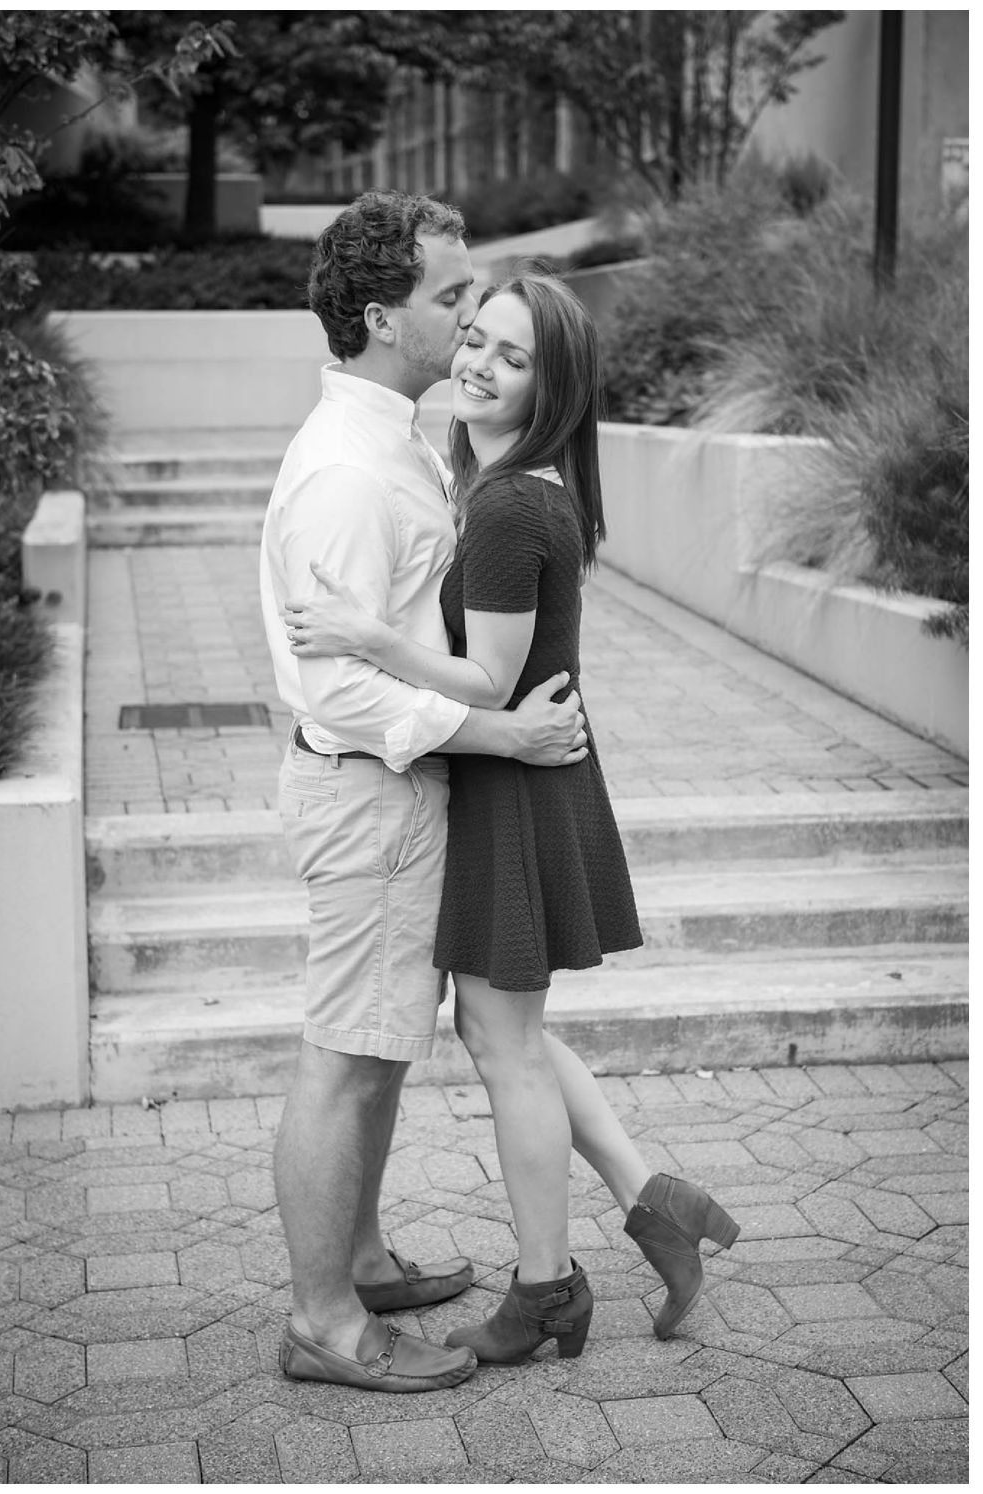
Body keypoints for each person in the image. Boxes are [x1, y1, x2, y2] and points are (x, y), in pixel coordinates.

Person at [283, 269, 741, 1366]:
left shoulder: (504, 503)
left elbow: (488, 682)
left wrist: (367, 635)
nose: (480, 363)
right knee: (511, 1038)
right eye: (476, 339)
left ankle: (546, 1292)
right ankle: (652, 1199)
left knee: (507, 1051)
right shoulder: (496, 482)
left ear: (556, 386)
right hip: (513, 782)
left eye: (513, 356)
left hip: (513, 785)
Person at [260, 191, 590, 1393]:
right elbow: (335, 689)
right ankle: (326, 1324)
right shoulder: (349, 471)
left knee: (380, 1048)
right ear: (377, 313)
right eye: (451, 298)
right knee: (343, 1056)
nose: (466, 322)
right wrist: (496, 735)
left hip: (397, 791)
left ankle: (359, 1258)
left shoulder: (403, 430)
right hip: (367, 788)